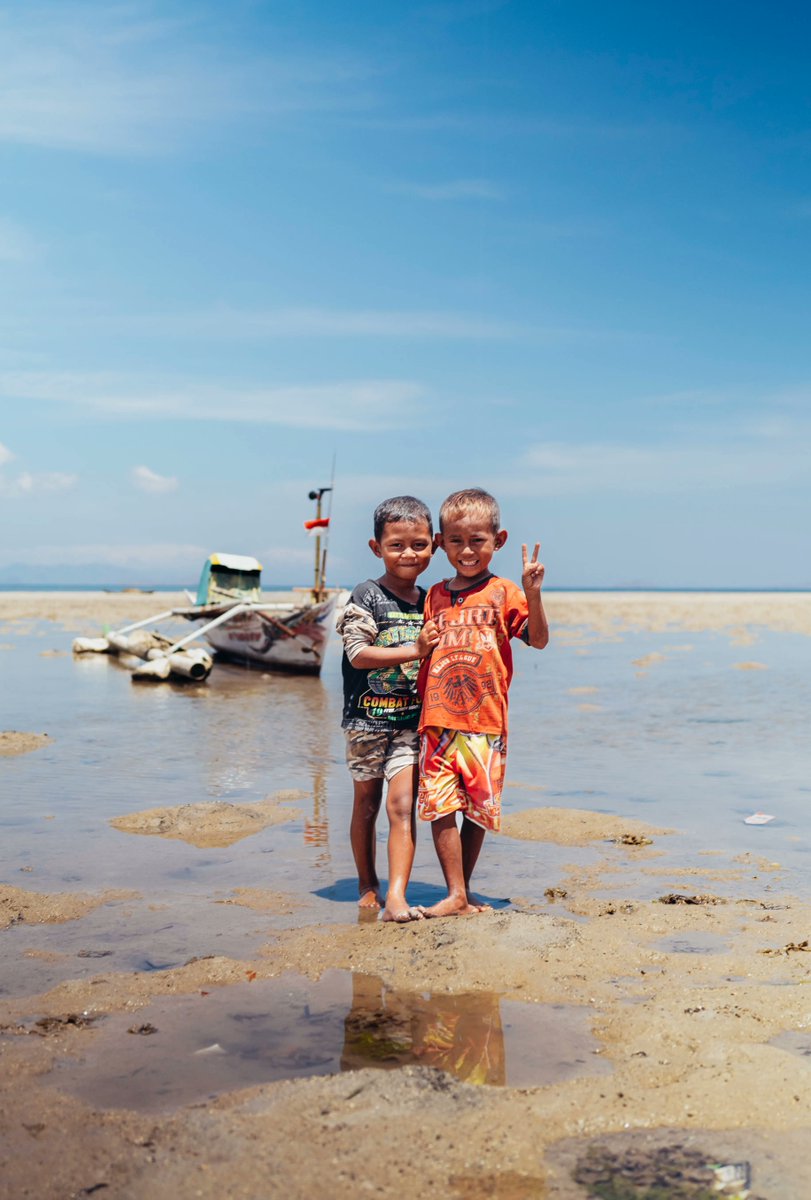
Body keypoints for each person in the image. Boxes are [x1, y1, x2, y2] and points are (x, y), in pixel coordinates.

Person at [417, 487, 548, 917]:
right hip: (436, 719)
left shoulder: (503, 591)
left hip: (486, 721)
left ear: (499, 540)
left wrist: (533, 593)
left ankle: (464, 890)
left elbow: (539, 639)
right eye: (455, 541)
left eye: (478, 540)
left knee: (476, 809)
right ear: (440, 543)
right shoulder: (434, 595)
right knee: (441, 806)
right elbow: (423, 654)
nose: (467, 550)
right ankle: (455, 892)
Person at [338, 495, 439, 922]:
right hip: (365, 719)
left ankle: (396, 895)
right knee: (366, 803)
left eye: (418, 544)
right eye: (396, 545)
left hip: (409, 724)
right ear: (376, 547)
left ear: (433, 544)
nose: (408, 554)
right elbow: (359, 654)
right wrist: (413, 649)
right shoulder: (366, 595)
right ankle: (367, 882)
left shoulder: (433, 599)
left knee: (402, 807)